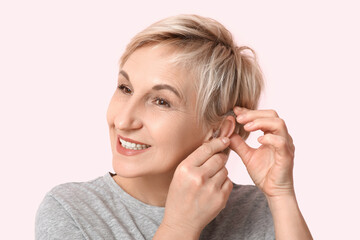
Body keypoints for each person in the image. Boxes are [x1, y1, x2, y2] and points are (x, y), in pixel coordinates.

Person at [35, 14, 313, 240]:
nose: (123, 120)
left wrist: (281, 195)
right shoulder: (72, 211)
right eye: (125, 88)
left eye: (160, 101)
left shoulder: (256, 210)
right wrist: (179, 228)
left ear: (218, 130)